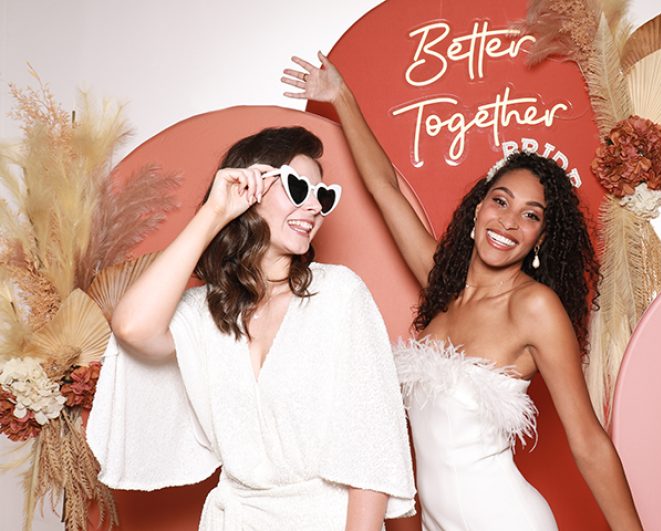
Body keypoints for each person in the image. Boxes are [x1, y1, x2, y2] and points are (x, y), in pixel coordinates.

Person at [282, 54, 643, 530]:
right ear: (477, 211)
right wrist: (342, 97)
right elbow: (385, 188)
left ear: (540, 239)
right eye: (500, 201)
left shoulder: (534, 307)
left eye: (531, 216)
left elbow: (587, 442)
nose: (510, 222)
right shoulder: (443, 285)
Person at [86, 126, 415, 530]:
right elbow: (132, 327)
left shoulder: (339, 294)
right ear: (252, 185)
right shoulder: (208, 311)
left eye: (323, 196)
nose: (313, 207)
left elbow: (371, 444)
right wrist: (215, 213)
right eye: (298, 188)